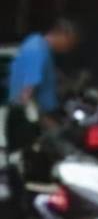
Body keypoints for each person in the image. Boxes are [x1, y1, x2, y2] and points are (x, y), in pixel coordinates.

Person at [5, 18, 80, 150]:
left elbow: (47, 77)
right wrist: (43, 119)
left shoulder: (41, 46)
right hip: (30, 119)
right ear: (62, 34)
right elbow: (27, 90)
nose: (68, 49)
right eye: (70, 43)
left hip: (37, 115)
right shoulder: (37, 49)